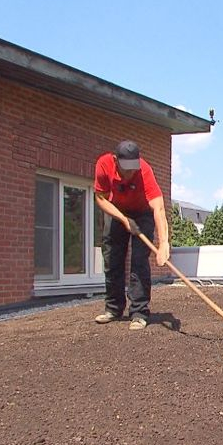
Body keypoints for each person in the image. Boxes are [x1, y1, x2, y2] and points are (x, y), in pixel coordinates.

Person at [93, 140, 170, 331]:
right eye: (125, 169)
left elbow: (158, 209)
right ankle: (113, 309)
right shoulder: (104, 165)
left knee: (139, 262)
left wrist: (164, 244)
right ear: (115, 160)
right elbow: (100, 197)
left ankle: (139, 312)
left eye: (132, 168)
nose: (129, 174)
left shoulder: (144, 171)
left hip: (143, 214)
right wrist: (123, 219)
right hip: (116, 211)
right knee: (112, 258)